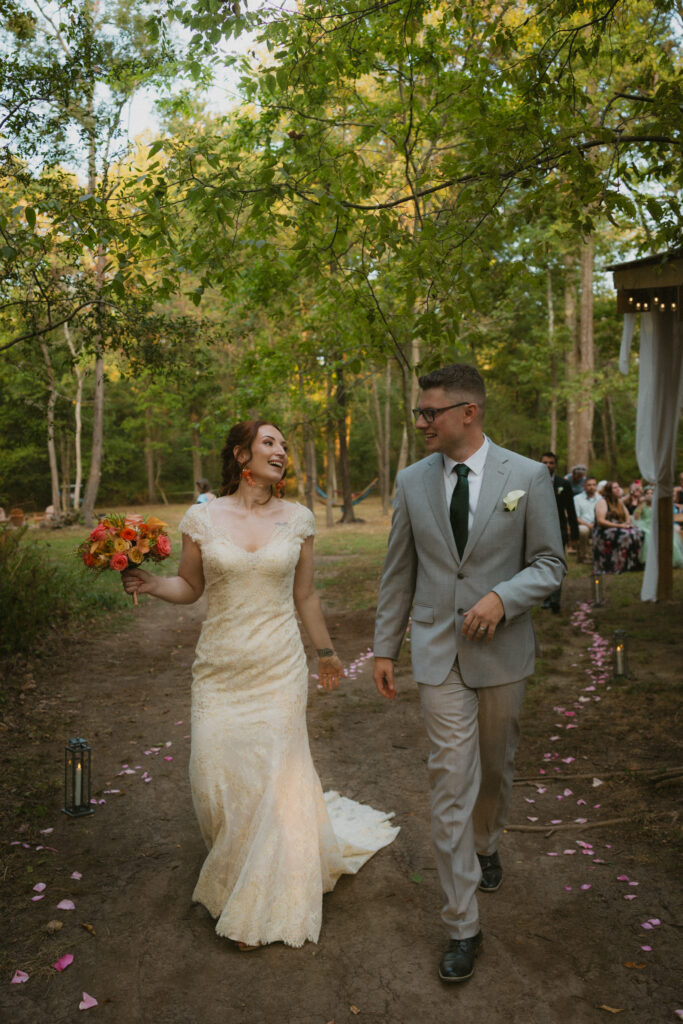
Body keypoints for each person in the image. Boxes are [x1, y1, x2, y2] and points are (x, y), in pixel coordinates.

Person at [123, 419, 398, 949]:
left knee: (275, 778)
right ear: (240, 455)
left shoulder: (298, 519)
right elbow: (190, 586)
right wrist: (152, 584)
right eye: (269, 442)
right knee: (216, 773)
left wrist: (326, 653)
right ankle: (239, 859)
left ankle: (260, 900)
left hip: (278, 667)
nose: (281, 451)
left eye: (284, 445)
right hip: (220, 670)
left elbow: (307, 596)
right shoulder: (202, 519)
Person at [372, 364, 565, 984]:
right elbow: (398, 570)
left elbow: (549, 563)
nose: (421, 421)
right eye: (419, 412)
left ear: (468, 413)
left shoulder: (527, 477)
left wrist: (502, 598)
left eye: (430, 412)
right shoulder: (411, 481)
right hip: (436, 654)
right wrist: (385, 648)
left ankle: (488, 843)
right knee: (449, 783)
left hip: (504, 652)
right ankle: (462, 925)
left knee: (495, 767)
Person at [540, 451, 579, 612]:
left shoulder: (564, 483)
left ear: (556, 465)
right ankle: (545, 597)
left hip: (559, 529)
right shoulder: (533, 481)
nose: (548, 465)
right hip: (539, 528)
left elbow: (570, 509)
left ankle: (556, 599)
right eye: (545, 462)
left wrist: (574, 533)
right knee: (540, 564)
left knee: (556, 564)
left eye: (551, 463)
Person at [592, 481, 643, 574]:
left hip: (619, 526)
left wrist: (627, 523)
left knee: (637, 532)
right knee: (624, 535)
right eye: (615, 487)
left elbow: (627, 515)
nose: (618, 489)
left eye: (618, 487)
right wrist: (620, 526)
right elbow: (601, 521)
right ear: (609, 490)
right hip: (604, 530)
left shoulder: (619, 502)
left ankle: (633, 563)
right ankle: (618, 565)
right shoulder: (602, 502)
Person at [633, 485, 683, 568]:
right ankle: (651, 561)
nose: (649, 495)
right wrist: (640, 506)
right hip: (646, 525)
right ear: (644, 495)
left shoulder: (658, 505)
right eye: (647, 493)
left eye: (652, 493)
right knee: (649, 537)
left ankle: (668, 560)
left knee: (668, 537)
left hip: (657, 525)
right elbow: (636, 517)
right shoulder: (643, 505)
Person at [573, 476, 599, 563]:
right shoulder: (577, 499)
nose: (592, 487)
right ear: (584, 486)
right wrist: (589, 525)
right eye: (589, 485)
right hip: (583, 525)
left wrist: (596, 525)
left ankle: (599, 556)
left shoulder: (601, 499)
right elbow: (576, 517)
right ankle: (583, 556)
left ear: (596, 486)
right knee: (583, 530)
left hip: (598, 524)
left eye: (594, 485)